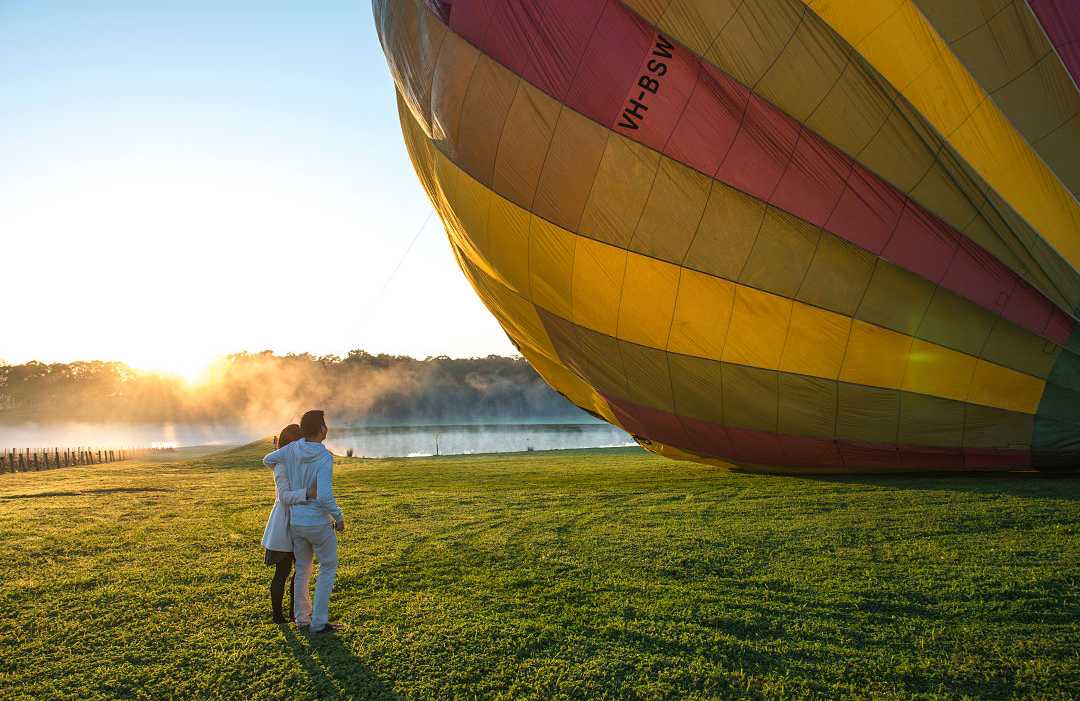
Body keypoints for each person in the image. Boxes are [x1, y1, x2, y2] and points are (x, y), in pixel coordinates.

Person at [262, 409, 344, 634]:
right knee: (311, 569)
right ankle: (304, 619)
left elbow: (269, 459)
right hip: (302, 521)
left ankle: (300, 618)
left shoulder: (293, 454)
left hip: (296, 522)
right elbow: (317, 496)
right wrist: (336, 514)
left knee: (301, 570)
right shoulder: (316, 457)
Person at [260, 424, 317, 624]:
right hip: (284, 524)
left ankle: (296, 613)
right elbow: (284, 497)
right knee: (282, 572)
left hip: (300, 520)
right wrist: (306, 494)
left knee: (300, 571)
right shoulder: (281, 465)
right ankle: (278, 616)